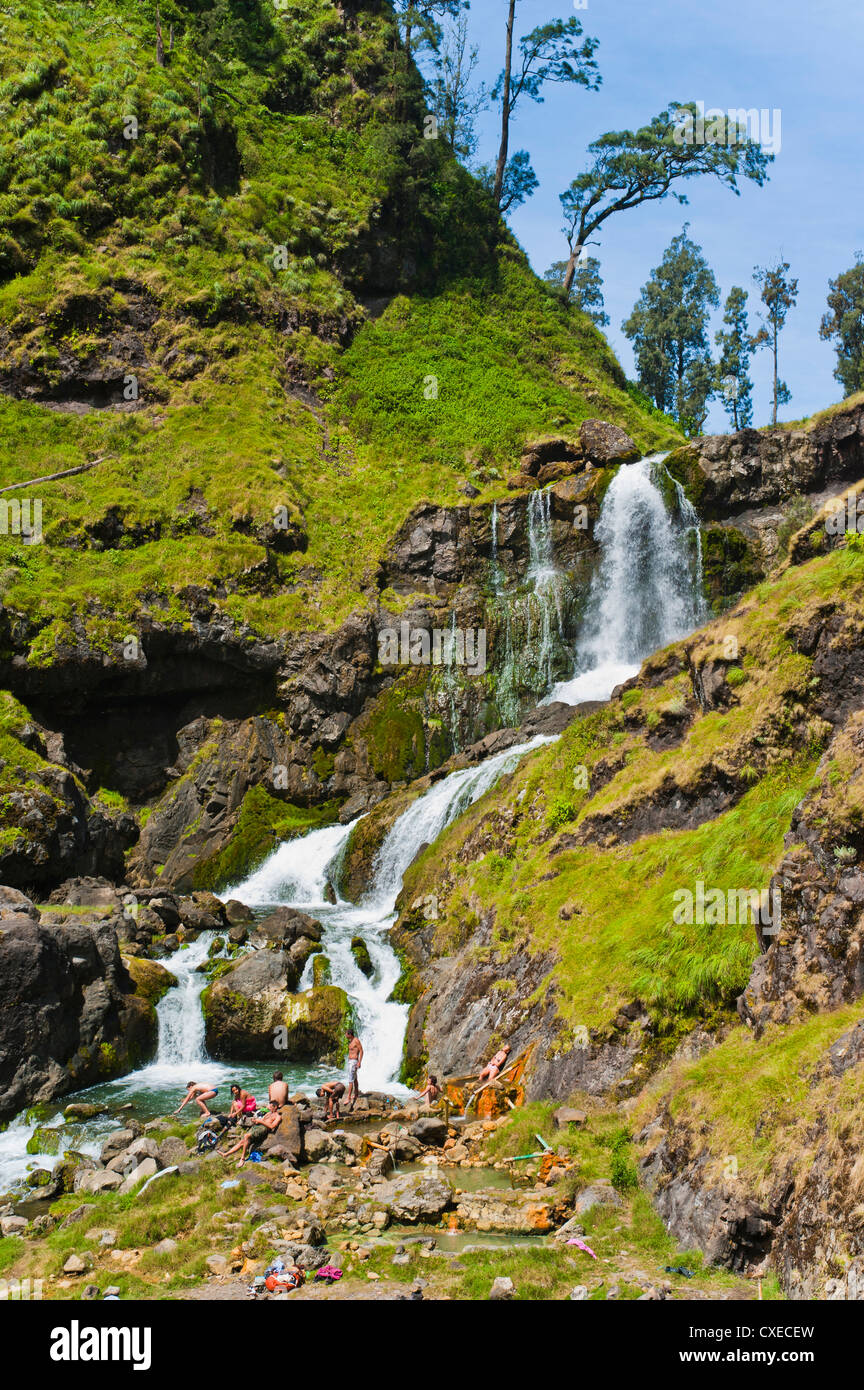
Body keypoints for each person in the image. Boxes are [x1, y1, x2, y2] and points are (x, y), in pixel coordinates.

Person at [218, 1100, 281, 1168]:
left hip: (263, 1129)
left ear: (275, 1107)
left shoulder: (277, 1117)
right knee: (242, 1142)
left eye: (270, 1106)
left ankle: (242, 1158)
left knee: (246, 1136)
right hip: (257, 1127)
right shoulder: (268, 1113)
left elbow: (272, 1126)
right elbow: (260, 1121)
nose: (268, 1108)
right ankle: (226, 1154)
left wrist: (260, 1121)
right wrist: (255, 1121)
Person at [345, 1030, 363, 1111]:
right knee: (355, 1079)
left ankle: (348, 1097)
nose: (345, 1035)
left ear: (350, 1034)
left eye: (346, 1034)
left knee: (350, 1080)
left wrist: (359, 1062)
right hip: (350, 1061)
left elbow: (361, 1050)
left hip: (354, 1061)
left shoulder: (356, 1040)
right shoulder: (351, 1041)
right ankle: (356, 1094)